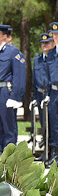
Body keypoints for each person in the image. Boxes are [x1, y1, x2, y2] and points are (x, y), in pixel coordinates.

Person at [0, 23, 26, 157]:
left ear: (4, 36)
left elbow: (18, 75)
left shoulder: (13, 52)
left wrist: (16, 96)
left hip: (5, 91)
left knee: (8, 125)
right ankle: (0, 149)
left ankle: (10, 152)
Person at [43, 24, 58, 165]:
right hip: (54, 92)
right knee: (54, 124)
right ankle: (54, 153)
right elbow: (48, 75)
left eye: (57, 34)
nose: (55, 37)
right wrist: (48, 93)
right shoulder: (51, 54)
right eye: (54, 35)